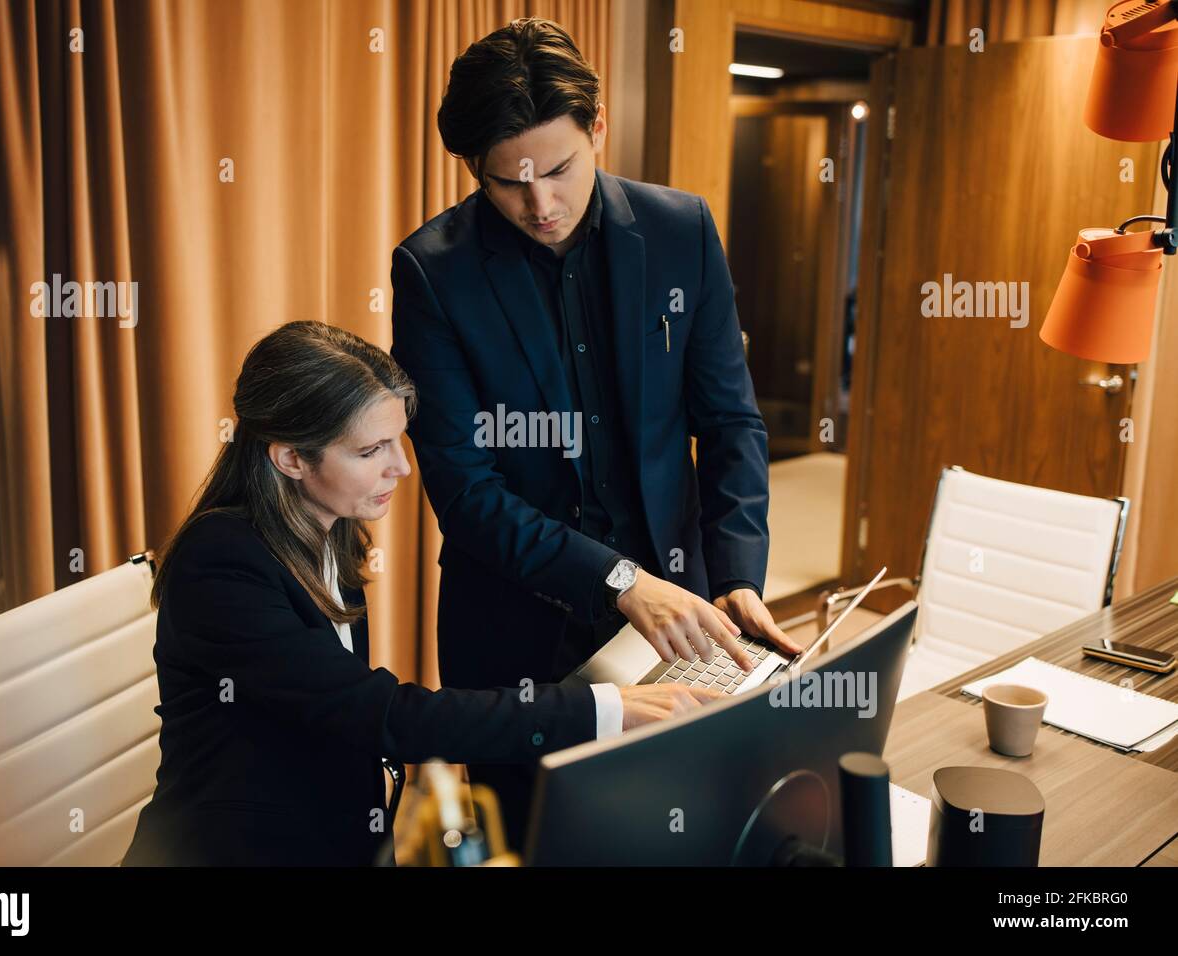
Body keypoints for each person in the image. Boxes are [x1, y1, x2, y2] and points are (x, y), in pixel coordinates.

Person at [390, 18, 802, 851]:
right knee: (537, 841)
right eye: (509, 183)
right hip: (514, 629)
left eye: (559, 170)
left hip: (680, 607)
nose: (539, 205)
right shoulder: (432, 272)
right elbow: (467, 495)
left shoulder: (683, 230)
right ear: (477, 170)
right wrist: (619, 580)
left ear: (598, 127)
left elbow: (729, 423)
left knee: (678, 828)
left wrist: (738, 574)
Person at [120, 321, 714, 866]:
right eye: (370, 450)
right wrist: (602, 710)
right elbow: (382, 714)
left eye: (398, 441)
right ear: (291, 458)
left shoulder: (331, 529)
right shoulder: (222, 565)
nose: (401, 468)